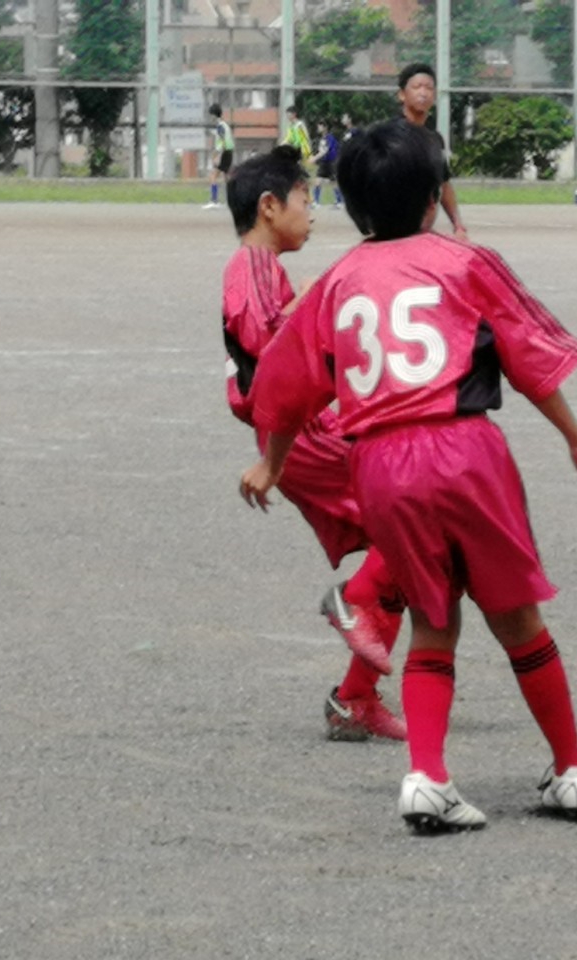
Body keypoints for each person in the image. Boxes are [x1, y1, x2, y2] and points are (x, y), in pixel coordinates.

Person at [239, 119, 577, 833]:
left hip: (380, 462)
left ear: (353, 207)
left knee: (430, 623)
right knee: (519, 621)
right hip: (465, 448)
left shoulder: (336, 280)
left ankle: (427, 778)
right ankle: (570, 769)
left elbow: (287, 388)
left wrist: (273, 461)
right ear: (432, 200)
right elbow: (528, 360)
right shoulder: (466, 262)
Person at [222, 145, 407, 742]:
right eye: (307, 199)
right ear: (270, 207)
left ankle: (356, 698)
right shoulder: (248, 265)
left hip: (308, 430)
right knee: (414, 531)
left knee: (409, 560)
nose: (313, 211)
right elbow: (269, 349)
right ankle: (350, 605)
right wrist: (308, 303)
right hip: (301, 435)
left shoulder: (265, 269)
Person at [396, 63, 469, 240]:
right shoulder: (391, 137)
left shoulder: (434, 140)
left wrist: (458, 225)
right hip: (394, 234)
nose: (423, 92)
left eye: (429, 88)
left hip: (423, 232)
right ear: (402, 95)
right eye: (416, 87)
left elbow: (444, 184)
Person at [203, 104, 234, 210]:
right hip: (229, 152)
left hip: (224, 153)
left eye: (211, 115)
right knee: (227, 178)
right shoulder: (224, 125)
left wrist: (217, 156)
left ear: (214, 115)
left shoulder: (220, 126)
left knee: (213, 176)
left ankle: (214, 200)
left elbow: (223, 142)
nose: (210, 117)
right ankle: (231, 201)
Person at [309, 120, 341, 209]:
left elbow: (325, 150)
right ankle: (316, 202)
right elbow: (321, 151)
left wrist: (314, 158)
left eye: (320, 126)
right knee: (317, 181)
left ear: (325, 127)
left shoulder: (330, 138)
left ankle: (339, 202)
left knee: (333, 183)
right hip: (324, 163)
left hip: (331, 163)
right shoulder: (322, 139)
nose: (318, 128)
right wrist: (314, 157)